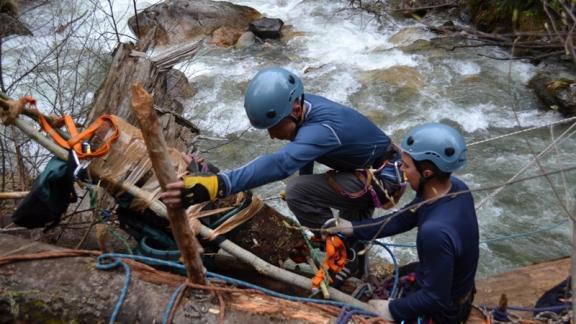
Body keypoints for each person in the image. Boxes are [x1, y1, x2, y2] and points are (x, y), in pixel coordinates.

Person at [160, 67, 405, 282]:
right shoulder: (307, 109)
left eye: (275, 127)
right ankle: (354, 270)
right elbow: (305, 154)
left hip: (380, 180)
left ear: (295, 109)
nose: (272, 136)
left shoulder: (322, 128)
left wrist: (220, 184)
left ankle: (341, 251)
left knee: (297, 191)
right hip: (370, 170)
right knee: (348, 243)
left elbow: (281, 164)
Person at [323, 123, 479, 323]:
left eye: (406, 166)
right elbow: (403, 218)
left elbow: (435, 298)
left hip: (446, 312)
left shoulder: (434, 232)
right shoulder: (455, 188)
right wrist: (353, 228)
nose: (402, 172)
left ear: (427, 173)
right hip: (457, 289)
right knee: (399, 275)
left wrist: (392, 309)